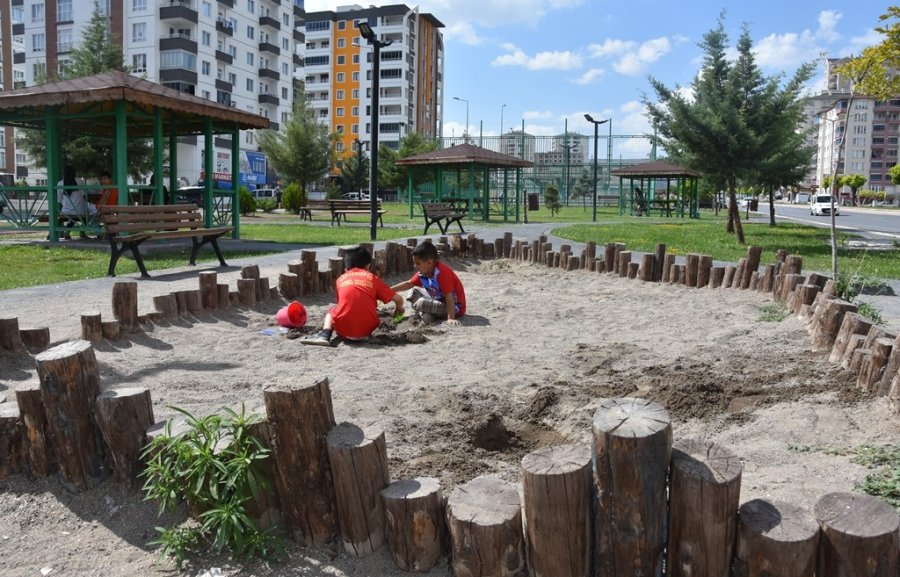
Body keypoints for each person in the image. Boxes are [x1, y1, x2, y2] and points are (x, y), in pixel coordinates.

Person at [301, 245, 404, 346]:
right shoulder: (373, 278)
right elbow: (399, 299)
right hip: (367, 331)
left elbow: (342, 304)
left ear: (346, 268)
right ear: (368, 266)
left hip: (343, 331)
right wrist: (398, 310)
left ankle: (325, 334)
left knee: (332, 309)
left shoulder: (340, 279)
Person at [391, 242, 466, 326]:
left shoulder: (442, 273)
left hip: (454, 308)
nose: (415, 266)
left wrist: (451, 318)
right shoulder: (424, 272)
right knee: (413, 292)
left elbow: (449, 296)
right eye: (414, 263)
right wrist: (390, 289)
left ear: (429, 263)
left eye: (418, 263)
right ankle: (428, 315)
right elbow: (409, 284)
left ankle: (425, 313)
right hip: (437, 301)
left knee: (422, 303)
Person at [57, 165, 94, 239]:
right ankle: (82, 232)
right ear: (74, 173)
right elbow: (86, 194)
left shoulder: (60, 183)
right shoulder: (80, 181)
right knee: (85, 214)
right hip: (80, 211)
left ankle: (65, 232)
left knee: (73, 216)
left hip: (66, 211)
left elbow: (59, 200)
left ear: (63, 173)